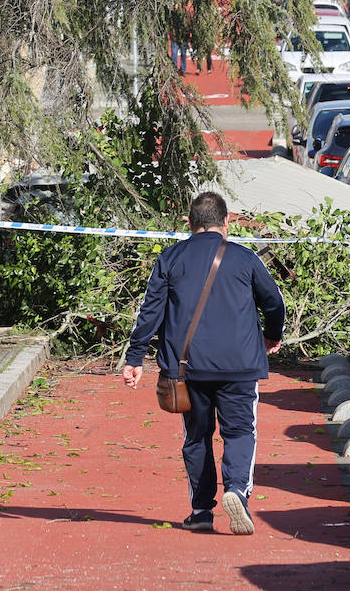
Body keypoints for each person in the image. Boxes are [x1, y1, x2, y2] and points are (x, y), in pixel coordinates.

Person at [122, 192, 286, 536]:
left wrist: (135, 357)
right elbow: (274, 302)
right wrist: (272, 335)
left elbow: (150, 311)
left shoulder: (170, 258)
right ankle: (237, 490)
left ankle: (201, 510)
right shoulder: (245, 258)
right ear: (226, 222)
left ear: (189, 221)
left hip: (187, 367)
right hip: (239, 364)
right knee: (240, 431)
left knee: (196, 436)